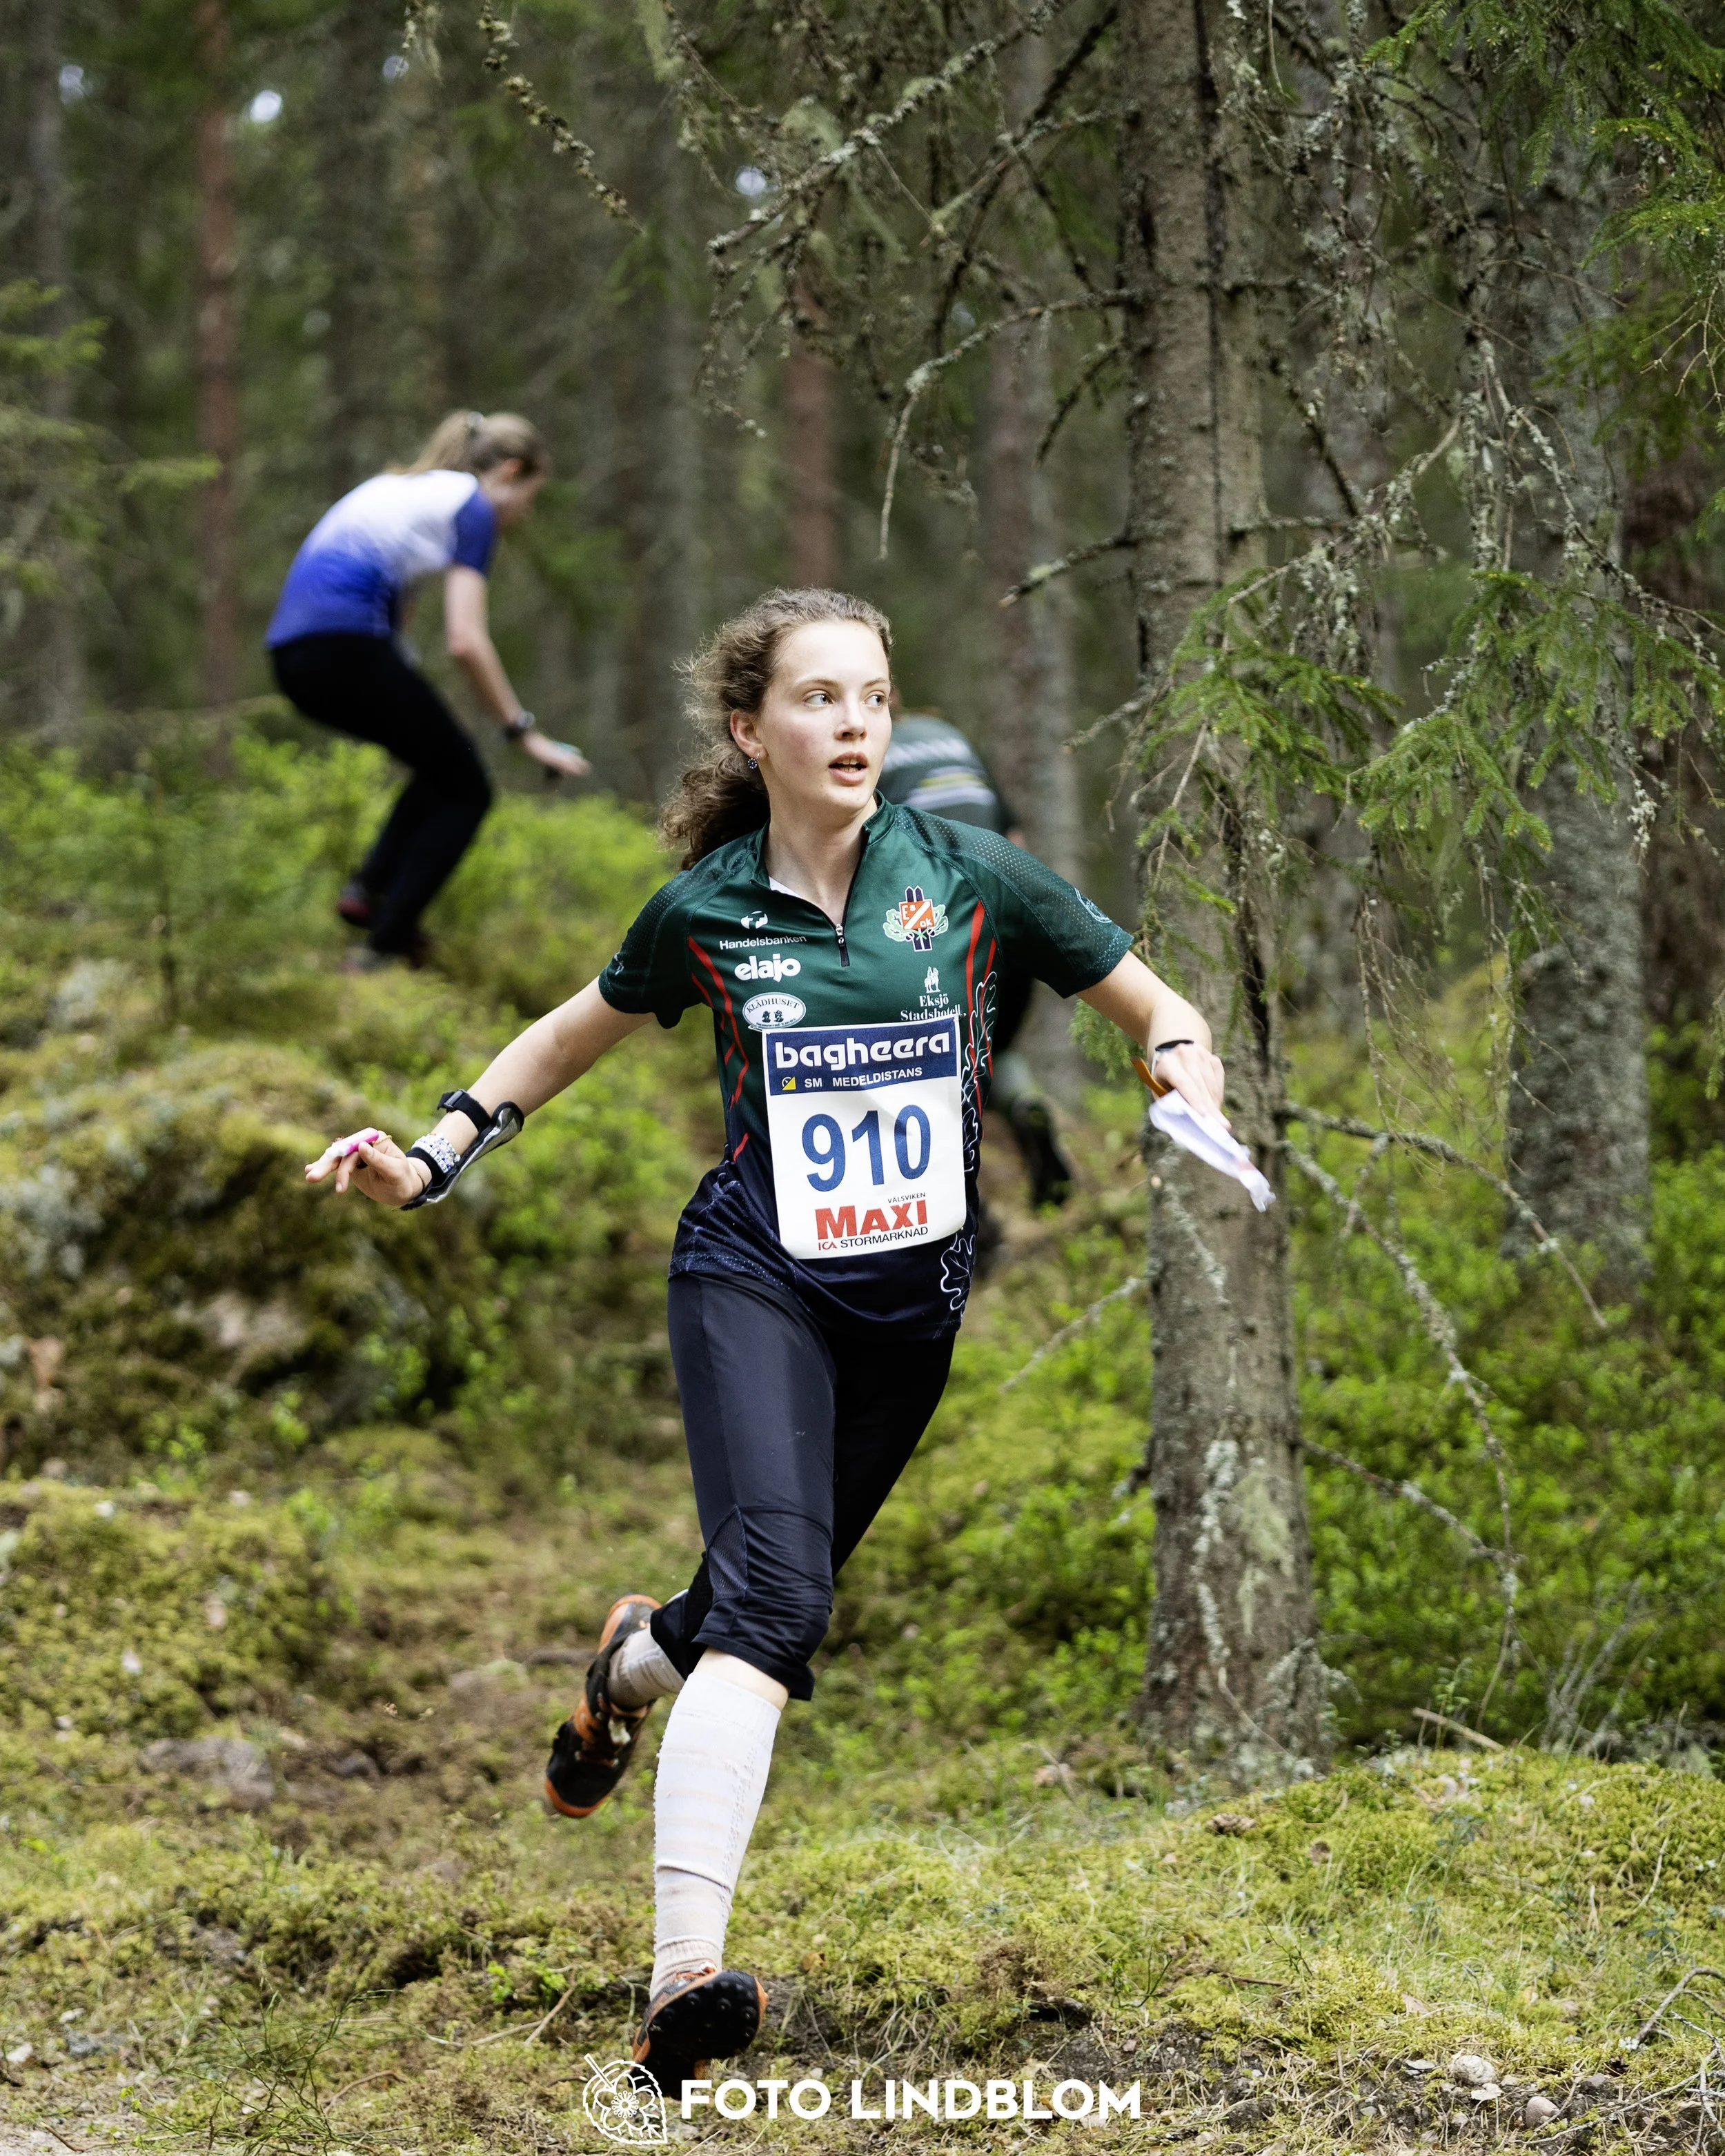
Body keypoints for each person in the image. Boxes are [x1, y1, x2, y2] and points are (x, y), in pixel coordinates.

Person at [304, 588, 1226, 2101]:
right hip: (751, 1273)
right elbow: (559, 1038)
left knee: (750, 1596)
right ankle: (676, 1991)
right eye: (818, 698)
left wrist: (1182, 1073)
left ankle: (627, 1660)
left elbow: (1152, 1004)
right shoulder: (708, 908)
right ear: (753, 728)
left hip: (909, 1304)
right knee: (781, 1605)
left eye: (872, 695)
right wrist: (427, 1157)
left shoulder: (970, 875)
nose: (855, 722)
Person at [266, 408, 589, 969]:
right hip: (342, 646)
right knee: (469, 789)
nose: (524, 514)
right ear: (509, 472)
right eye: (529, 497)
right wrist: (522, 732)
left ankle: (367, 894)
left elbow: (402, 620)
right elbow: (465, 640)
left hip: (295, 657)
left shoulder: (407, 490)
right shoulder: (473, 506)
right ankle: (383, 947)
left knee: (441, 768)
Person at [877, 708, 1076, 1209]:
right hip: (1011, 932)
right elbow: (1015, 843)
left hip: (940, 938)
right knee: (990, 1052)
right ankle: (1025, 1104)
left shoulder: (865, 759)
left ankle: (972, 1213)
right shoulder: (956, 738)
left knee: (931, 1075)